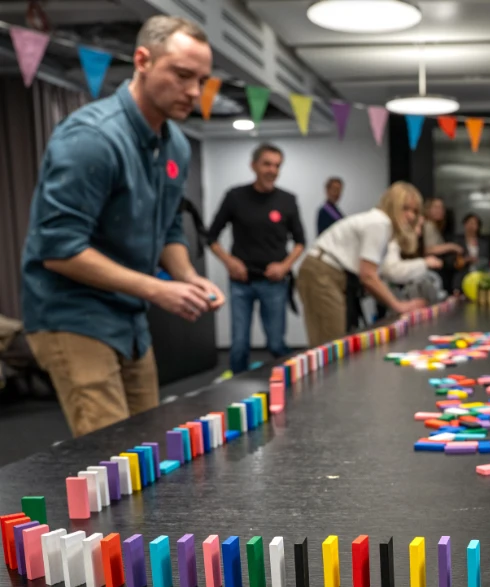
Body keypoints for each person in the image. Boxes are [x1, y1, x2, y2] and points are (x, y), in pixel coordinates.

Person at [19, 15, 224, 438]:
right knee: (109, 454)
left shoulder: (176, 145)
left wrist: (187, 278)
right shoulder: (91, 139)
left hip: (129, 315)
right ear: (143, 60)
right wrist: (157, 288)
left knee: (147, 444)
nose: (193, 92)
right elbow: (59, 249)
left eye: (201, 80)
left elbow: (168, 228)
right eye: (182, 75)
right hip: (72, 314)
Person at [207, 143, 305, 375]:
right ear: (254, 166)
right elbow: (210, 237)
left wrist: (284, 266)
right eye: (267, 164)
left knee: (275, 343)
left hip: (274, 283)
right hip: (241, 282)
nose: (272, 170)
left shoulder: (287, 200)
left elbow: (300, 242)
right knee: (239, 345)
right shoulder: (235, 197)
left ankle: (291, 385)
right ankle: (236, 392)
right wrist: (229, 261)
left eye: (277, 165)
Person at [297, 182, 427, 346]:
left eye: (415, 211)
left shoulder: (379, 223)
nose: (411, 216)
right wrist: (399, 306)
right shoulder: (380, 223)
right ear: (392, 205)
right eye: (405, 208)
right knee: (330, 344)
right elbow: (368, 276)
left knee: (332, 341)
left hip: (327, 271)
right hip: (323, 272)